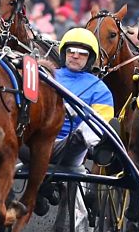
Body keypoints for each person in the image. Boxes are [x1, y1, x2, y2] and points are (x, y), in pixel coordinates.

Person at [36, 28, 115, 215]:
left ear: (90, 58)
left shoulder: (100, 88)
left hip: (71, 148)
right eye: (71, 51)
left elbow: (102, 122)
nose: (75, 56)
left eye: (82, 53)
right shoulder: (46, 76)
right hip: (39, 143)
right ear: (64, 53)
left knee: (83, 132)